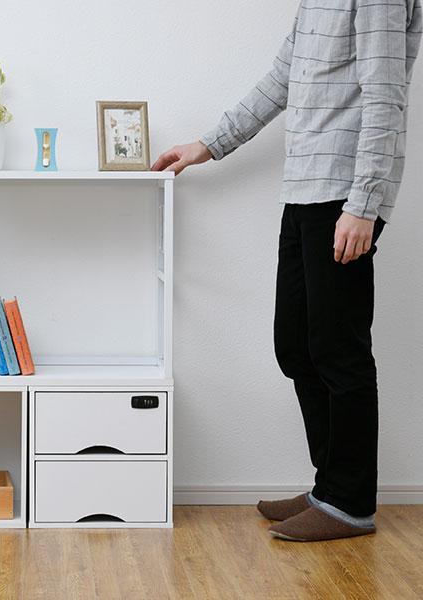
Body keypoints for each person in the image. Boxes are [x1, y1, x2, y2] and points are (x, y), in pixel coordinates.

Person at [152, 0, 422, 542]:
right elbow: (283, 77)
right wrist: (207, 145)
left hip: (345, 196)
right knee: (295, 346)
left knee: (339, 350)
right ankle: (330, 487)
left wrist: (364, 205)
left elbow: (385, 94)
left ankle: (349, 503)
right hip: (304, 190)